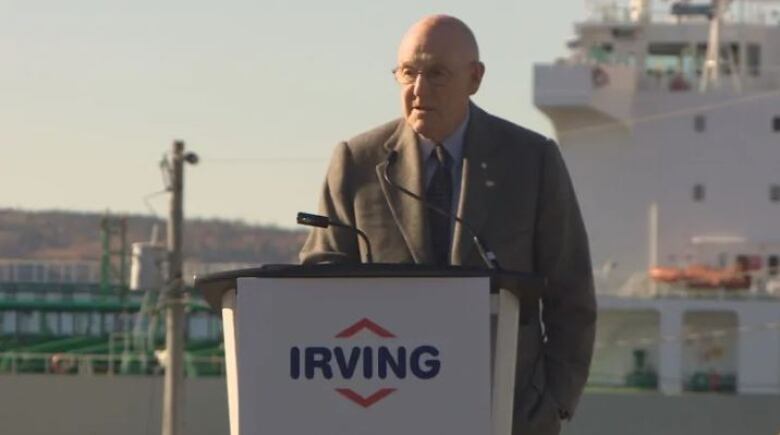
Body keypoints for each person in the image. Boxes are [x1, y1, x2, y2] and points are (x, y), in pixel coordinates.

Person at [300, 14, 595, 435]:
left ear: (474, 78)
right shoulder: (358, 163)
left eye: (436, 74)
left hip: (505, 414)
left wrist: (554, 404)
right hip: (383, 411)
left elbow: (572, 294)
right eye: (408, 73)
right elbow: (318, 285)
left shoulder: (532, 160)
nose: (418, 90)